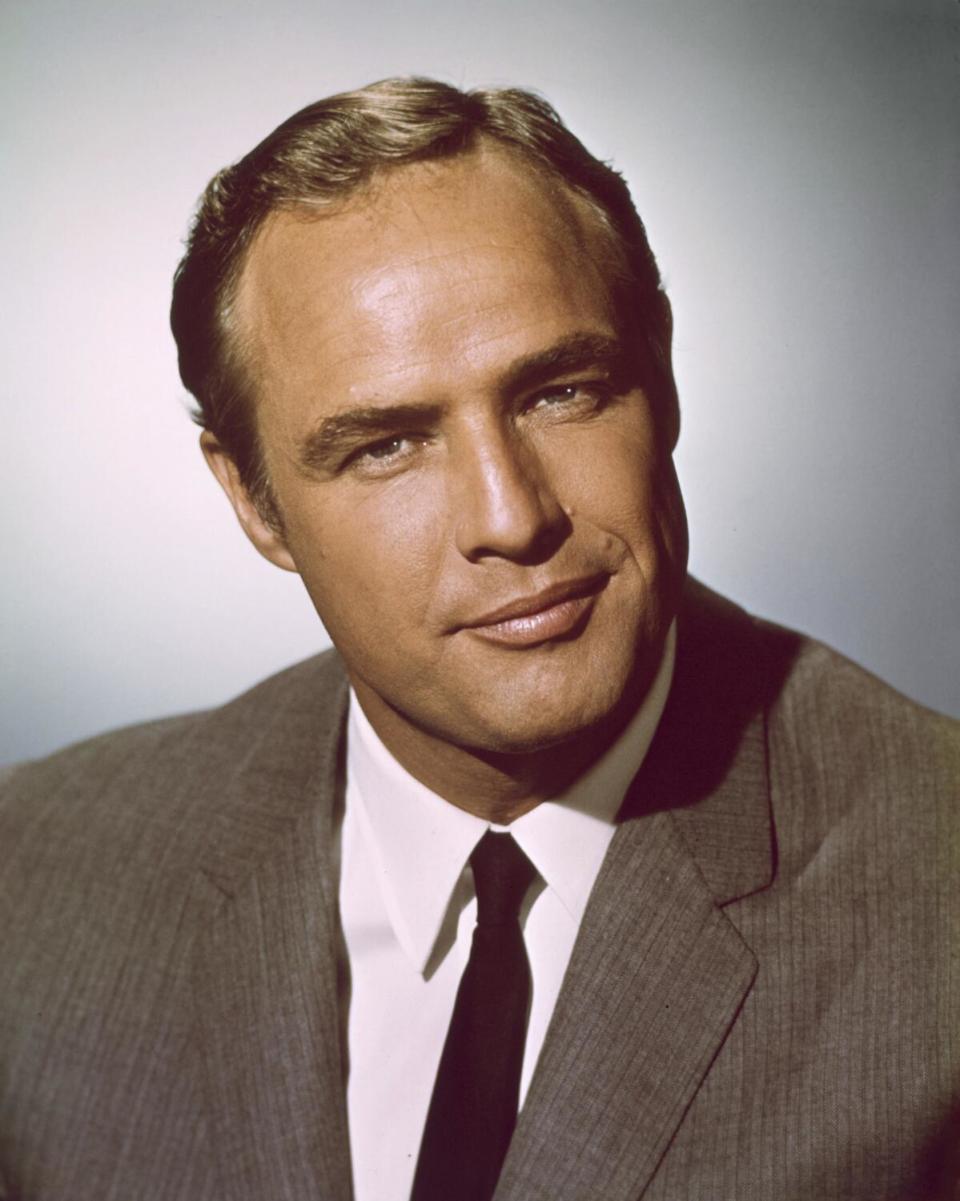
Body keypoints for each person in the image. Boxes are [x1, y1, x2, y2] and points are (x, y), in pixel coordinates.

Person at [1, 77, 957, 1201]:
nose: (512, 517)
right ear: (253, 500)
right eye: (386, 447)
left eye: (564, 391)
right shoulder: (35, 884)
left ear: (662, 367)